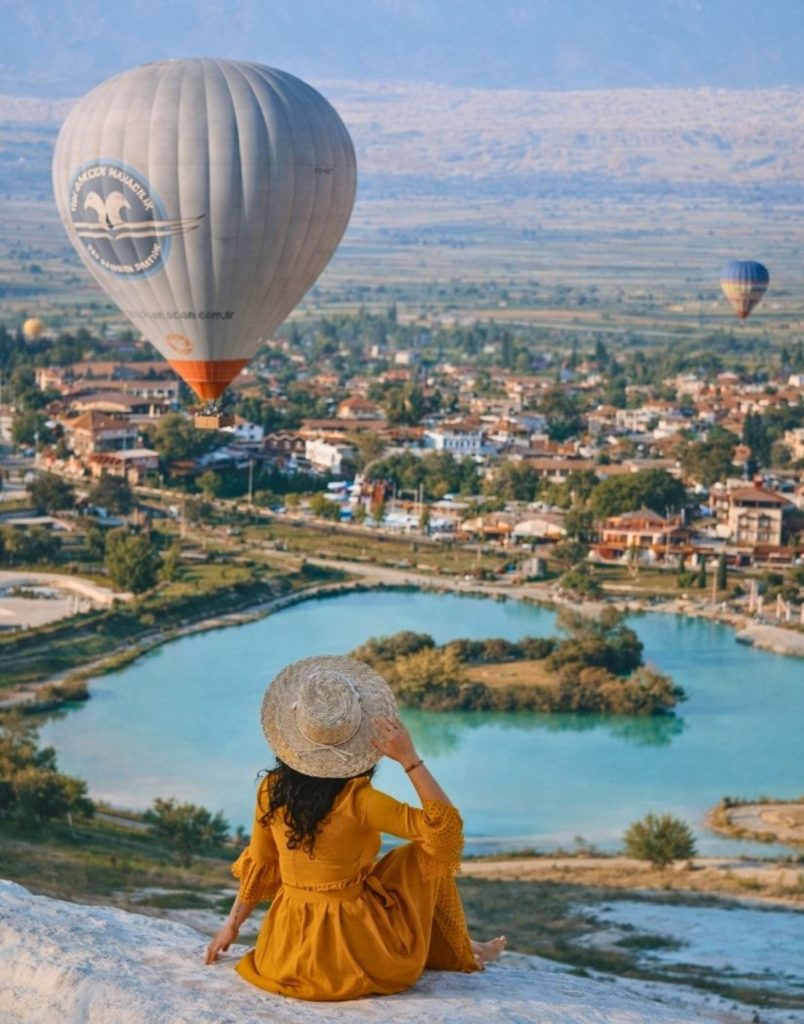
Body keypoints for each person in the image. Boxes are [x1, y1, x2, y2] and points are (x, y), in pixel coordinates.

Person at [204, 654, 505, 1000]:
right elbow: (445, 830)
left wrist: (231, 926)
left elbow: (261, 863)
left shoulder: (271, 790)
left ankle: (465, 944)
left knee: (394, 865)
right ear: (358, 740)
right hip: (350, 955)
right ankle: (460, 948)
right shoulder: (360, 800)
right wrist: (410, 759)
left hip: (284, 955)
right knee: (418, 856)